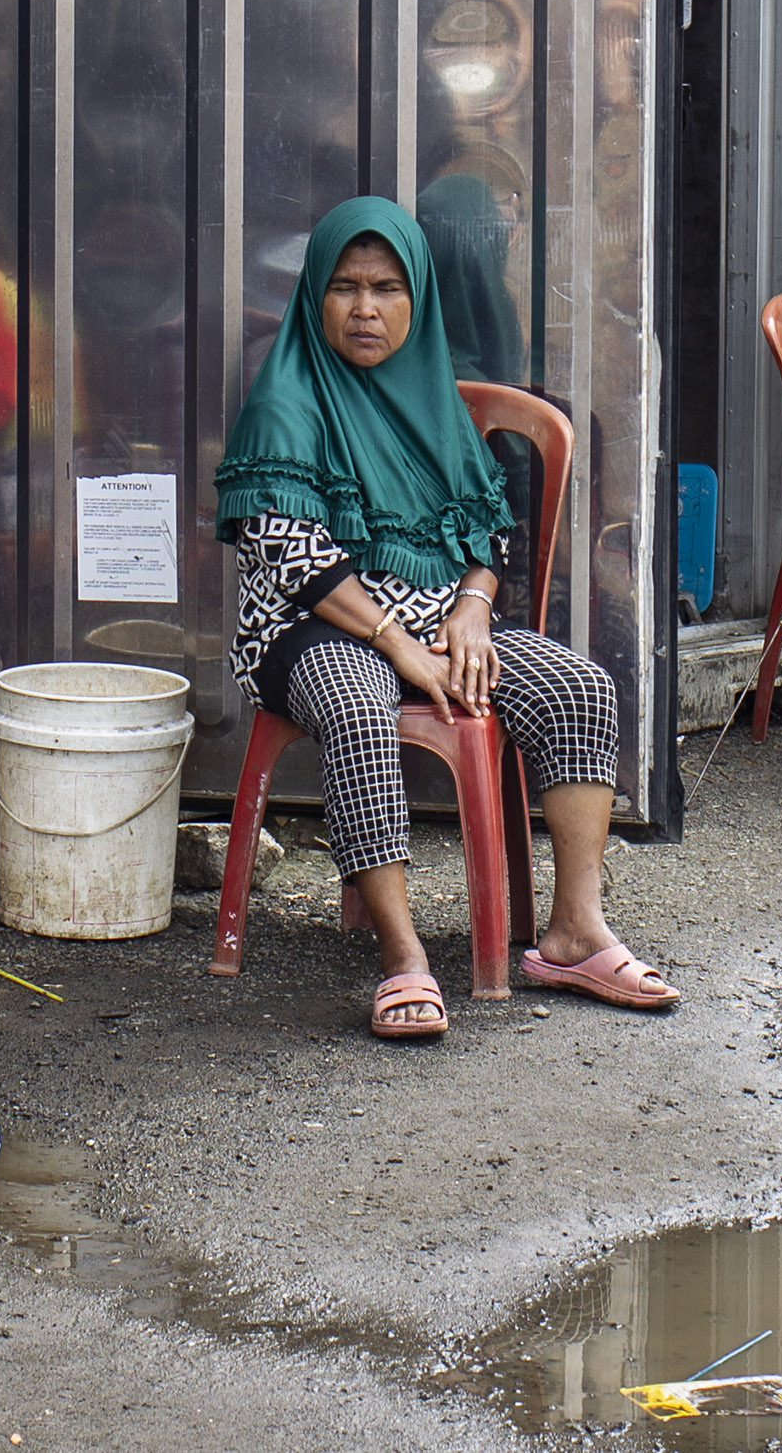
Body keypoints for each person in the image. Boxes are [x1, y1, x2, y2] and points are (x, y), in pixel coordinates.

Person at [214, 196, 674, 1041]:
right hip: (308, 628)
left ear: (416, 298)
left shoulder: (433, 402)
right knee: (360, 703)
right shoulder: (286, 401)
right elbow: (296, 561)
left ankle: (574, 930)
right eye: (345, 287)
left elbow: (484, 529)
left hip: (435, 623)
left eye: (386, 287)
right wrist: (397, 644)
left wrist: (471, 609)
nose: (364, 308)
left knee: (578, 686)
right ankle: (403, 956)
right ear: (315, 295)